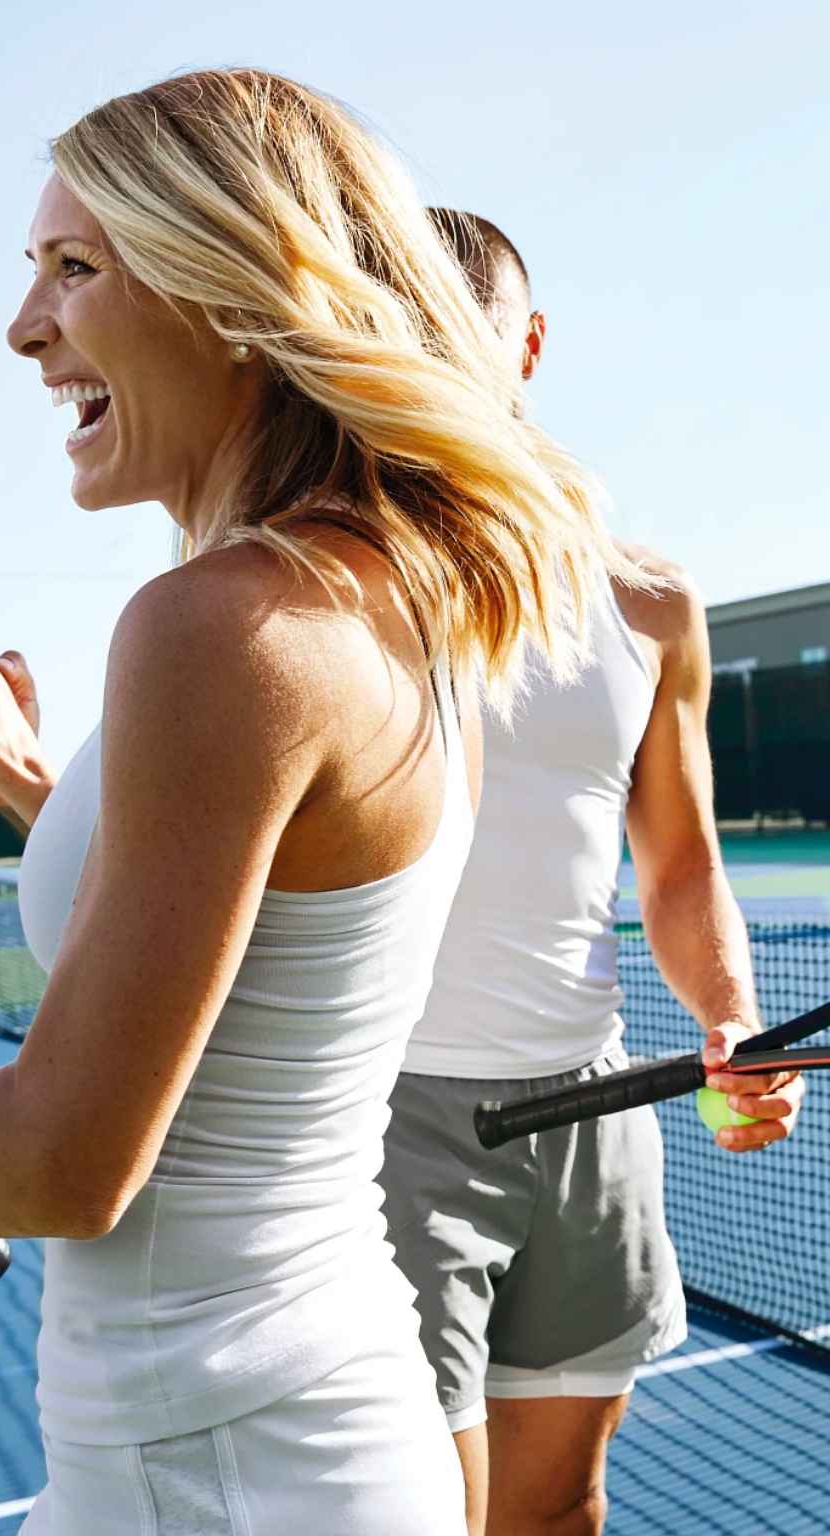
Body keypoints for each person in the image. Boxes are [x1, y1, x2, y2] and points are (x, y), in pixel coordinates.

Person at [0, 70, 621, 1533]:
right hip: (262, 1438)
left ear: (235, 290)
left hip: (221, 1472)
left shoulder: (222, 621)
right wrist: (36, 791)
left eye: (77, 266)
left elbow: (69, 1161)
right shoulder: (374, 599)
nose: (25, 327)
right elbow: (268, 940)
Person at [373, 210, 807, 1536]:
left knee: (557, 1513)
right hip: (375, 1125)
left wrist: (728, 1017)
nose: (431, 354)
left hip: (594, 1112)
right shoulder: (324, 579)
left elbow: (677, 865)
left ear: (530, 346)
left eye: (464, 327)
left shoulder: (647, 603)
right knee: (407, 1516)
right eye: (398, 324)